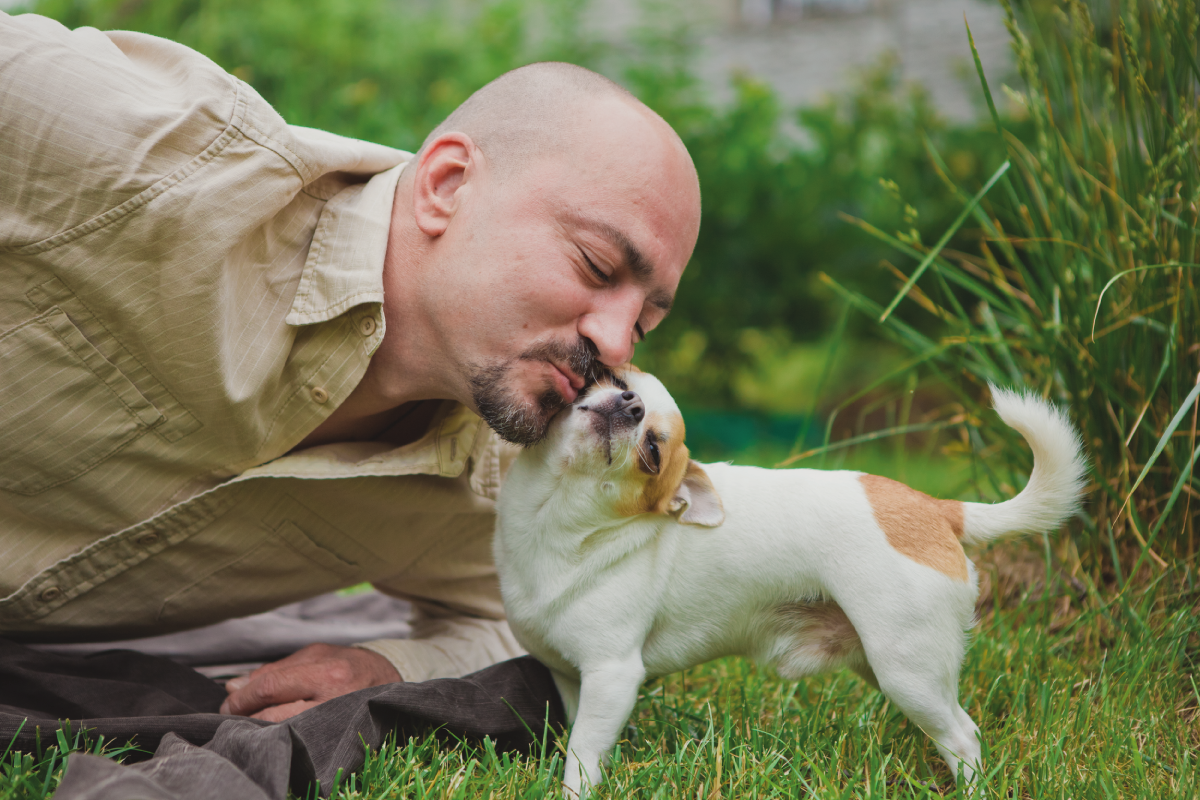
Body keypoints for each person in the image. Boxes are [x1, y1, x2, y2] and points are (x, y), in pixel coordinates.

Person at [0, 12, 700, 722]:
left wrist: (388, 666)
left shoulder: (498, 485)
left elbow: (531, 628)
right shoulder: (158, 157)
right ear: (448, 185)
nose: (616, 345)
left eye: (645, 321)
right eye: (597, 264)